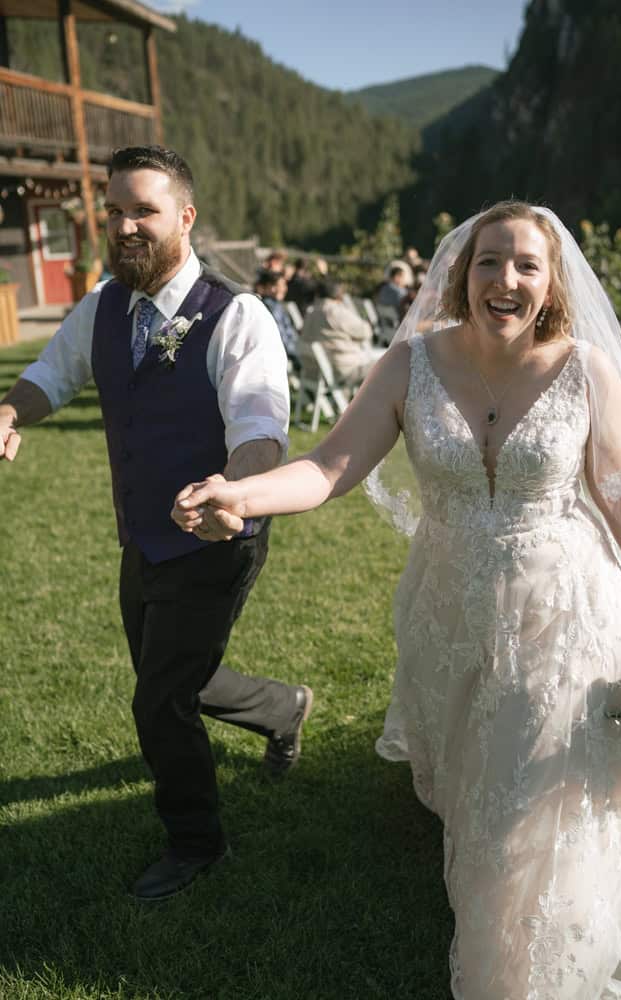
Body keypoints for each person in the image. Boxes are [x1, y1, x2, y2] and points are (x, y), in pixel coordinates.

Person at [172, 201, 621, 996]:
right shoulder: (411, 365)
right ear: (461, 273)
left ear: (551, 285)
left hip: (561, 609)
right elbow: (332, 465)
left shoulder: (585, 369)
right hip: (449, 608)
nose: (505, 279)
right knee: (474, 784)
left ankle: (520, 971)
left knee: (526, 804)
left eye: (525, 265)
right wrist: (243, 493)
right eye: (489, 261)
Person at [0, 145, 314, 902]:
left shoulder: (235, 314)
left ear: (185, 217)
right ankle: (283, 707)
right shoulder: (104, 304)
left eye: (142, 209)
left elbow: (260, 424)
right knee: (170, 676)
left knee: (158, 699)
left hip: (217, 534)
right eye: (113, 211)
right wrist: (11, 410)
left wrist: (232, 494)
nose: (124, 225)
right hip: (141, 533)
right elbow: (52, 375)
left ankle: (196, 840)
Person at [298, 279, 384, 388]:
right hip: (343, 370)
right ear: (339, 296)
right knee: (387, 365)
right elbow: (365, 331)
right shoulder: (335, 312)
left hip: (314, 371)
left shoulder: (311, 312)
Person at [254, 267, 301, 371]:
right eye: (278, 286)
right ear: (266, 287)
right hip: (283, 355)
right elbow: (281, 337)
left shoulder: (274, 305)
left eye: (284, 285)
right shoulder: (272, 308)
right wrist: (297, 355)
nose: (283, 289)